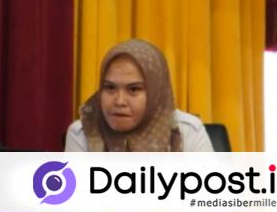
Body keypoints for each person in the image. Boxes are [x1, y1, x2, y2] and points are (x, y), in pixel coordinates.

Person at [65, 39, 213, 152]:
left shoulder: (188, 131)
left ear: (156, 93)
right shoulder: (83, 133)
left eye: (133, 89)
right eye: (110, 87)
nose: (119, 101)